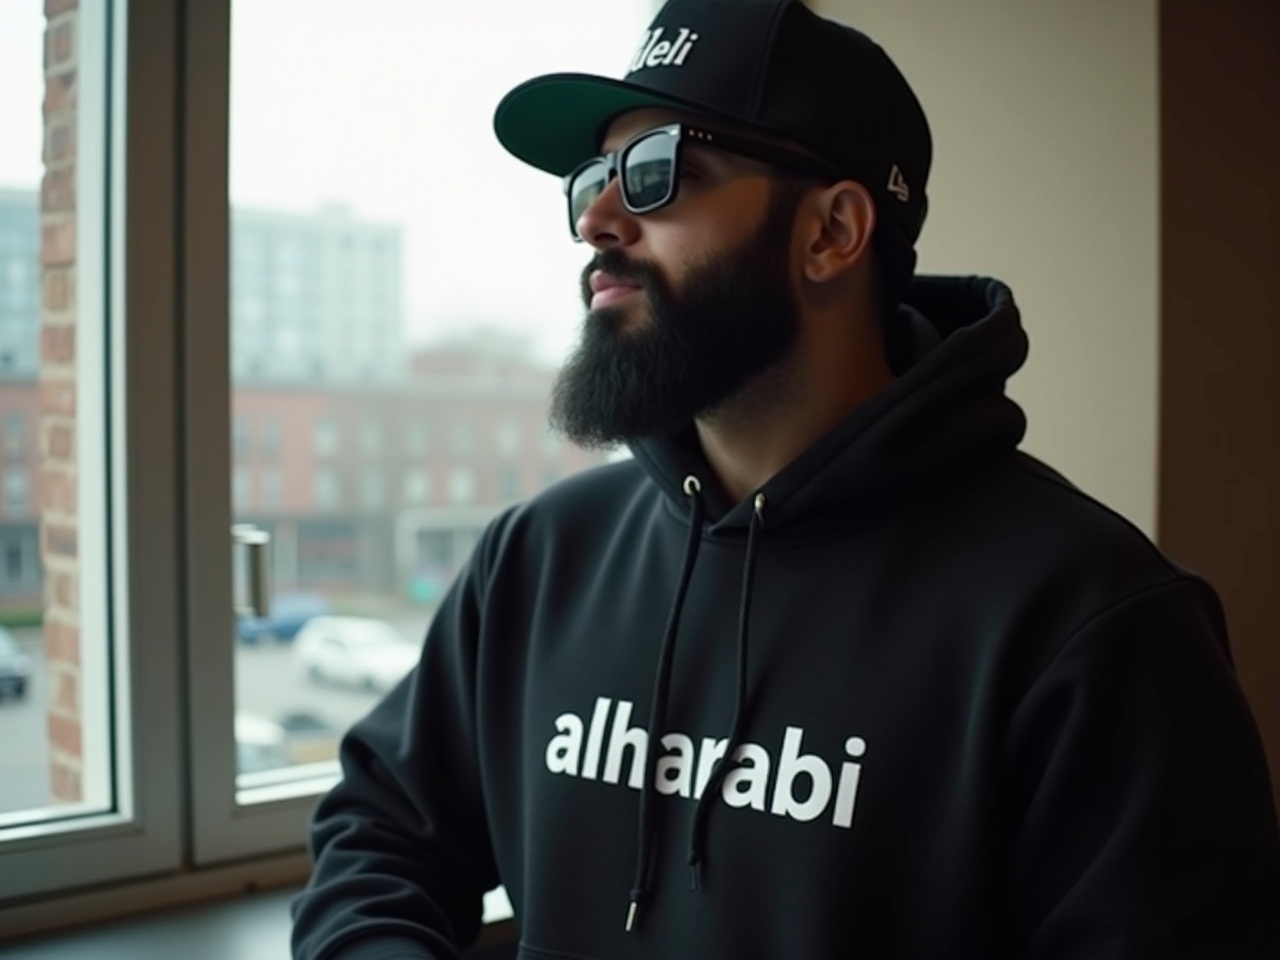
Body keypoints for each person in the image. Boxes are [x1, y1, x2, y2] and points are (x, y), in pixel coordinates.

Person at [291, 1, 1280, 957]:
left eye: (652, 172)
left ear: (829, 233)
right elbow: (378, 831)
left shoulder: (1087, 620)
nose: (593, 217)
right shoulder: (541, 558)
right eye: (590, 175)